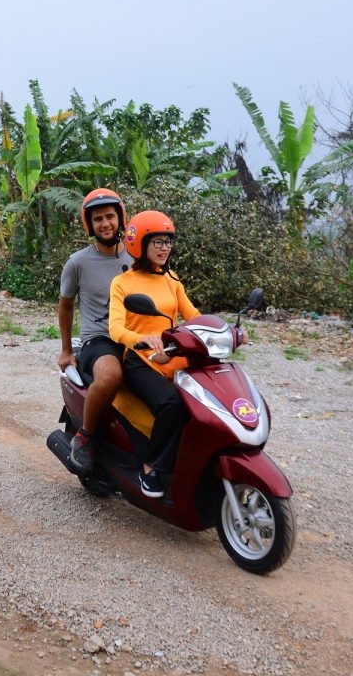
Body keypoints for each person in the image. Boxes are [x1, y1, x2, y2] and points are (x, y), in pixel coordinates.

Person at [108, 210, 222, 498]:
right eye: (157, 241)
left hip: (173, 356)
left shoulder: (172, 280)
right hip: (140, 360)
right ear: (139, 245)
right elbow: (116, 329)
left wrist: (225, 331)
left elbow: (193, 316)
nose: (164, 248)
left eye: (168, 241)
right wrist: (141, 339)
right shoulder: (123, 283)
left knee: (209, 401)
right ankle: (150, 467)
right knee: (172, 403)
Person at [58, 189, 133, 470]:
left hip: (135, 336)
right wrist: (66, 350)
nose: (106, 224)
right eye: (98, 219)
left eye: (110, 217)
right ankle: (86, 436)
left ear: (121, 218)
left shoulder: (138, 257)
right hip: (98, 339)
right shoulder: (78, 262)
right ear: (89, 224)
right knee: (111, 375)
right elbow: (65, 306)